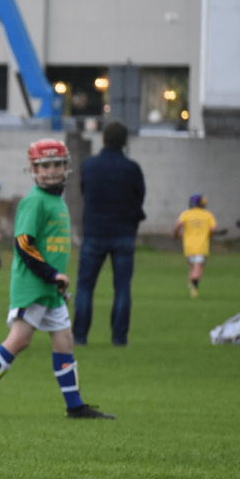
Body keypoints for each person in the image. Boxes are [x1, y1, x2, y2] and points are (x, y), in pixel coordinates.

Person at [0, 139, 114, 420]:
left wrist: (55, 280)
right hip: (33, 285)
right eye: (44, 166)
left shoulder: (56, 200)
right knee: (18, 340)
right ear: (33, 170)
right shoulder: (35, 200)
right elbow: (24, 244)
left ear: (66, 167)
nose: (51, 171)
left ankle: (75, 406)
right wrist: (51, 274)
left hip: (50, 288)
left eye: (57, 165)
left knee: (64, 341)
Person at [73, 121, 145, 347]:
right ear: (125, 142)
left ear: (102, 139)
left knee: (85, 286)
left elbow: (84, 191)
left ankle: (80, 336)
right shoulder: (132, 168)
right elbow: (138, 198)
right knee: (122, 287)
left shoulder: (89, 165)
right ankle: (119, 337)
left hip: (94, 232)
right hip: (123, 233)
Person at [174, 194, 218, 298]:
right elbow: (213, 229)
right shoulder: (207, 215)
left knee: (192, 267)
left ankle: (193, 289)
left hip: (188, 246)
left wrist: (176, 235)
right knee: (198, 271)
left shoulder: (186, 214)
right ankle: (192, 283)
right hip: (201, 246)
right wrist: (209, 234)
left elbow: (178, 225)